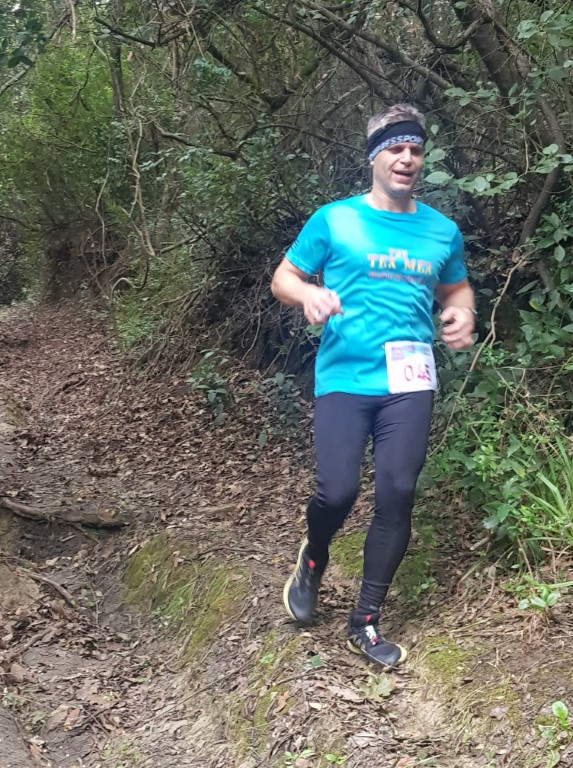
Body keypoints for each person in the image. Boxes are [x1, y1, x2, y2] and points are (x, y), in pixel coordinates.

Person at [270, 103, 476, 670]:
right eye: (395, 148)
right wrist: (308, 294)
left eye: (415, 149)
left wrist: (462, 313)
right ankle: (314, 556)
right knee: (337, 491)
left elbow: (455, 289)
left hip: (410, 381)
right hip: (345, 375)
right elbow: (283, 278)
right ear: (374, 157)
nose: (407, 158)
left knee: (397, 490)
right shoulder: (334, 220)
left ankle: (364, 620)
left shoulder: (441, 230)